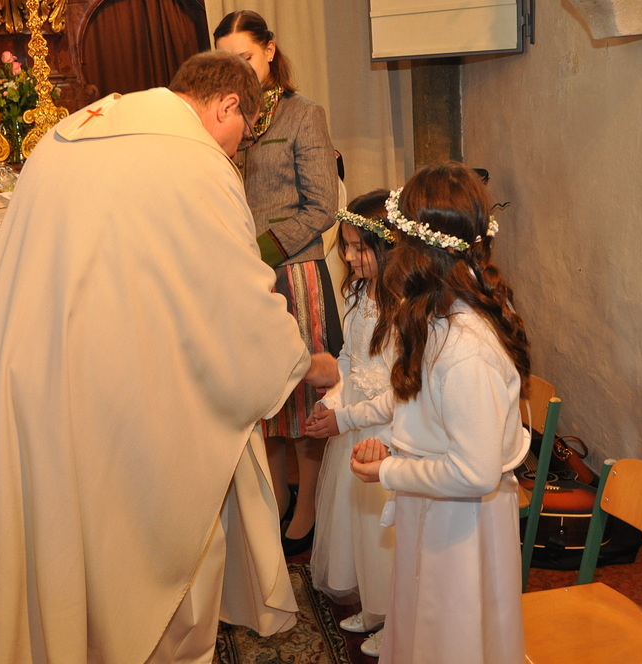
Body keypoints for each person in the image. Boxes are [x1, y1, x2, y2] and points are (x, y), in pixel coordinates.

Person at [0, 51, 339, 664]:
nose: (237, 154)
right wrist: (308, 363)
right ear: (228, 106)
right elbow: (235, 297)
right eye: (243, 137)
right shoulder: (194, 159)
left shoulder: (71, 131)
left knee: (62, 539)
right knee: (160, 540)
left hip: (30, 372)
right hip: (118, 389)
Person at [350, 162, 532, 664]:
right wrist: (397, 442)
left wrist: (390, 471)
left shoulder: (466, 348)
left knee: (450, 639)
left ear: (418, 250)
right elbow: (435, 412)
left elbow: (474, 473)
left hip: (461, 527)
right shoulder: (438, 316)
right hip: (437, 508)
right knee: (425, 632)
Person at [214, 10, 341, 556]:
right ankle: (280, 496)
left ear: (269, 50)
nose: (237, 69)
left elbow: (323, 207)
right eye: (226, 60)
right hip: (243, 281)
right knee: (265, 396)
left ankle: (307, 507)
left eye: (245, 57)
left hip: (294, 272)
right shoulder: (224, 118)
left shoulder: (303, 114)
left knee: (304, 396)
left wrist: (261, 252)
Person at [304, 190, 397, 658]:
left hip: (386, 431)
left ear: (388, 247)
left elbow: (401, 393)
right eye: (345, 245)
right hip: (354, 421)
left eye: (360, 247)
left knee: (386, 531)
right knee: (358, 524)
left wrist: (345, 418)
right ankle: (375, 606)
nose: (349, 256)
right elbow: (348, 357)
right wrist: (333, 401)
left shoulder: (405, 308)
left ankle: (396, 617)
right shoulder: (359, 293)